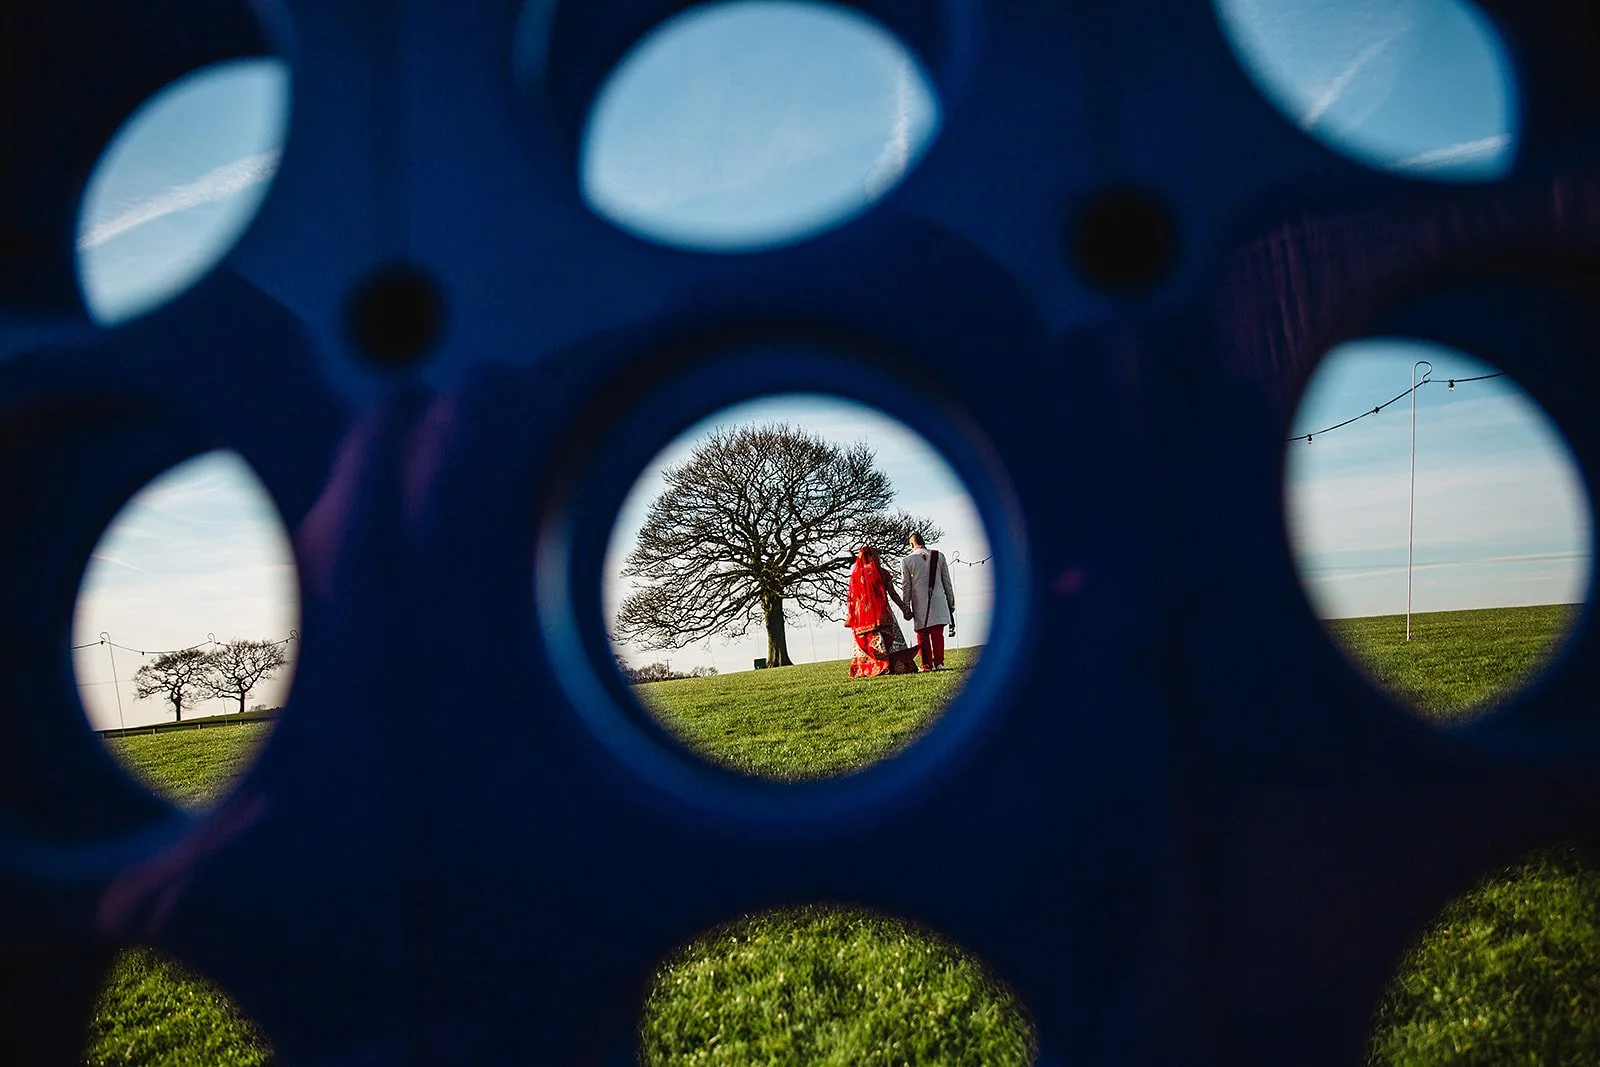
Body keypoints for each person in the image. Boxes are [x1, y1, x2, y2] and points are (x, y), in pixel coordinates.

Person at [845, 545, 920, 678]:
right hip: (883, 613)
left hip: (863, 617)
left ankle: (868, 667)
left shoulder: (856, 576)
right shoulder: (883, 573)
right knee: (892, 640)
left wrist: (851, 616)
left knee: (866, 642)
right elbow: (893, 594)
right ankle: (895, 666)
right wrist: (904, 609)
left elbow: (853, 599)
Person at [901, 530, 955, 671]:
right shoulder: (939, 556)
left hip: (919, 602)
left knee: (922, 635)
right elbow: (947, 582)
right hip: (938, 601)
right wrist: (951, 602)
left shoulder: (907, 560)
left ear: (911, 544)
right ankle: (939, 663)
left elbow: (906, 586)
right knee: (938, 634)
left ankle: (926, 665)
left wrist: (905, 607)